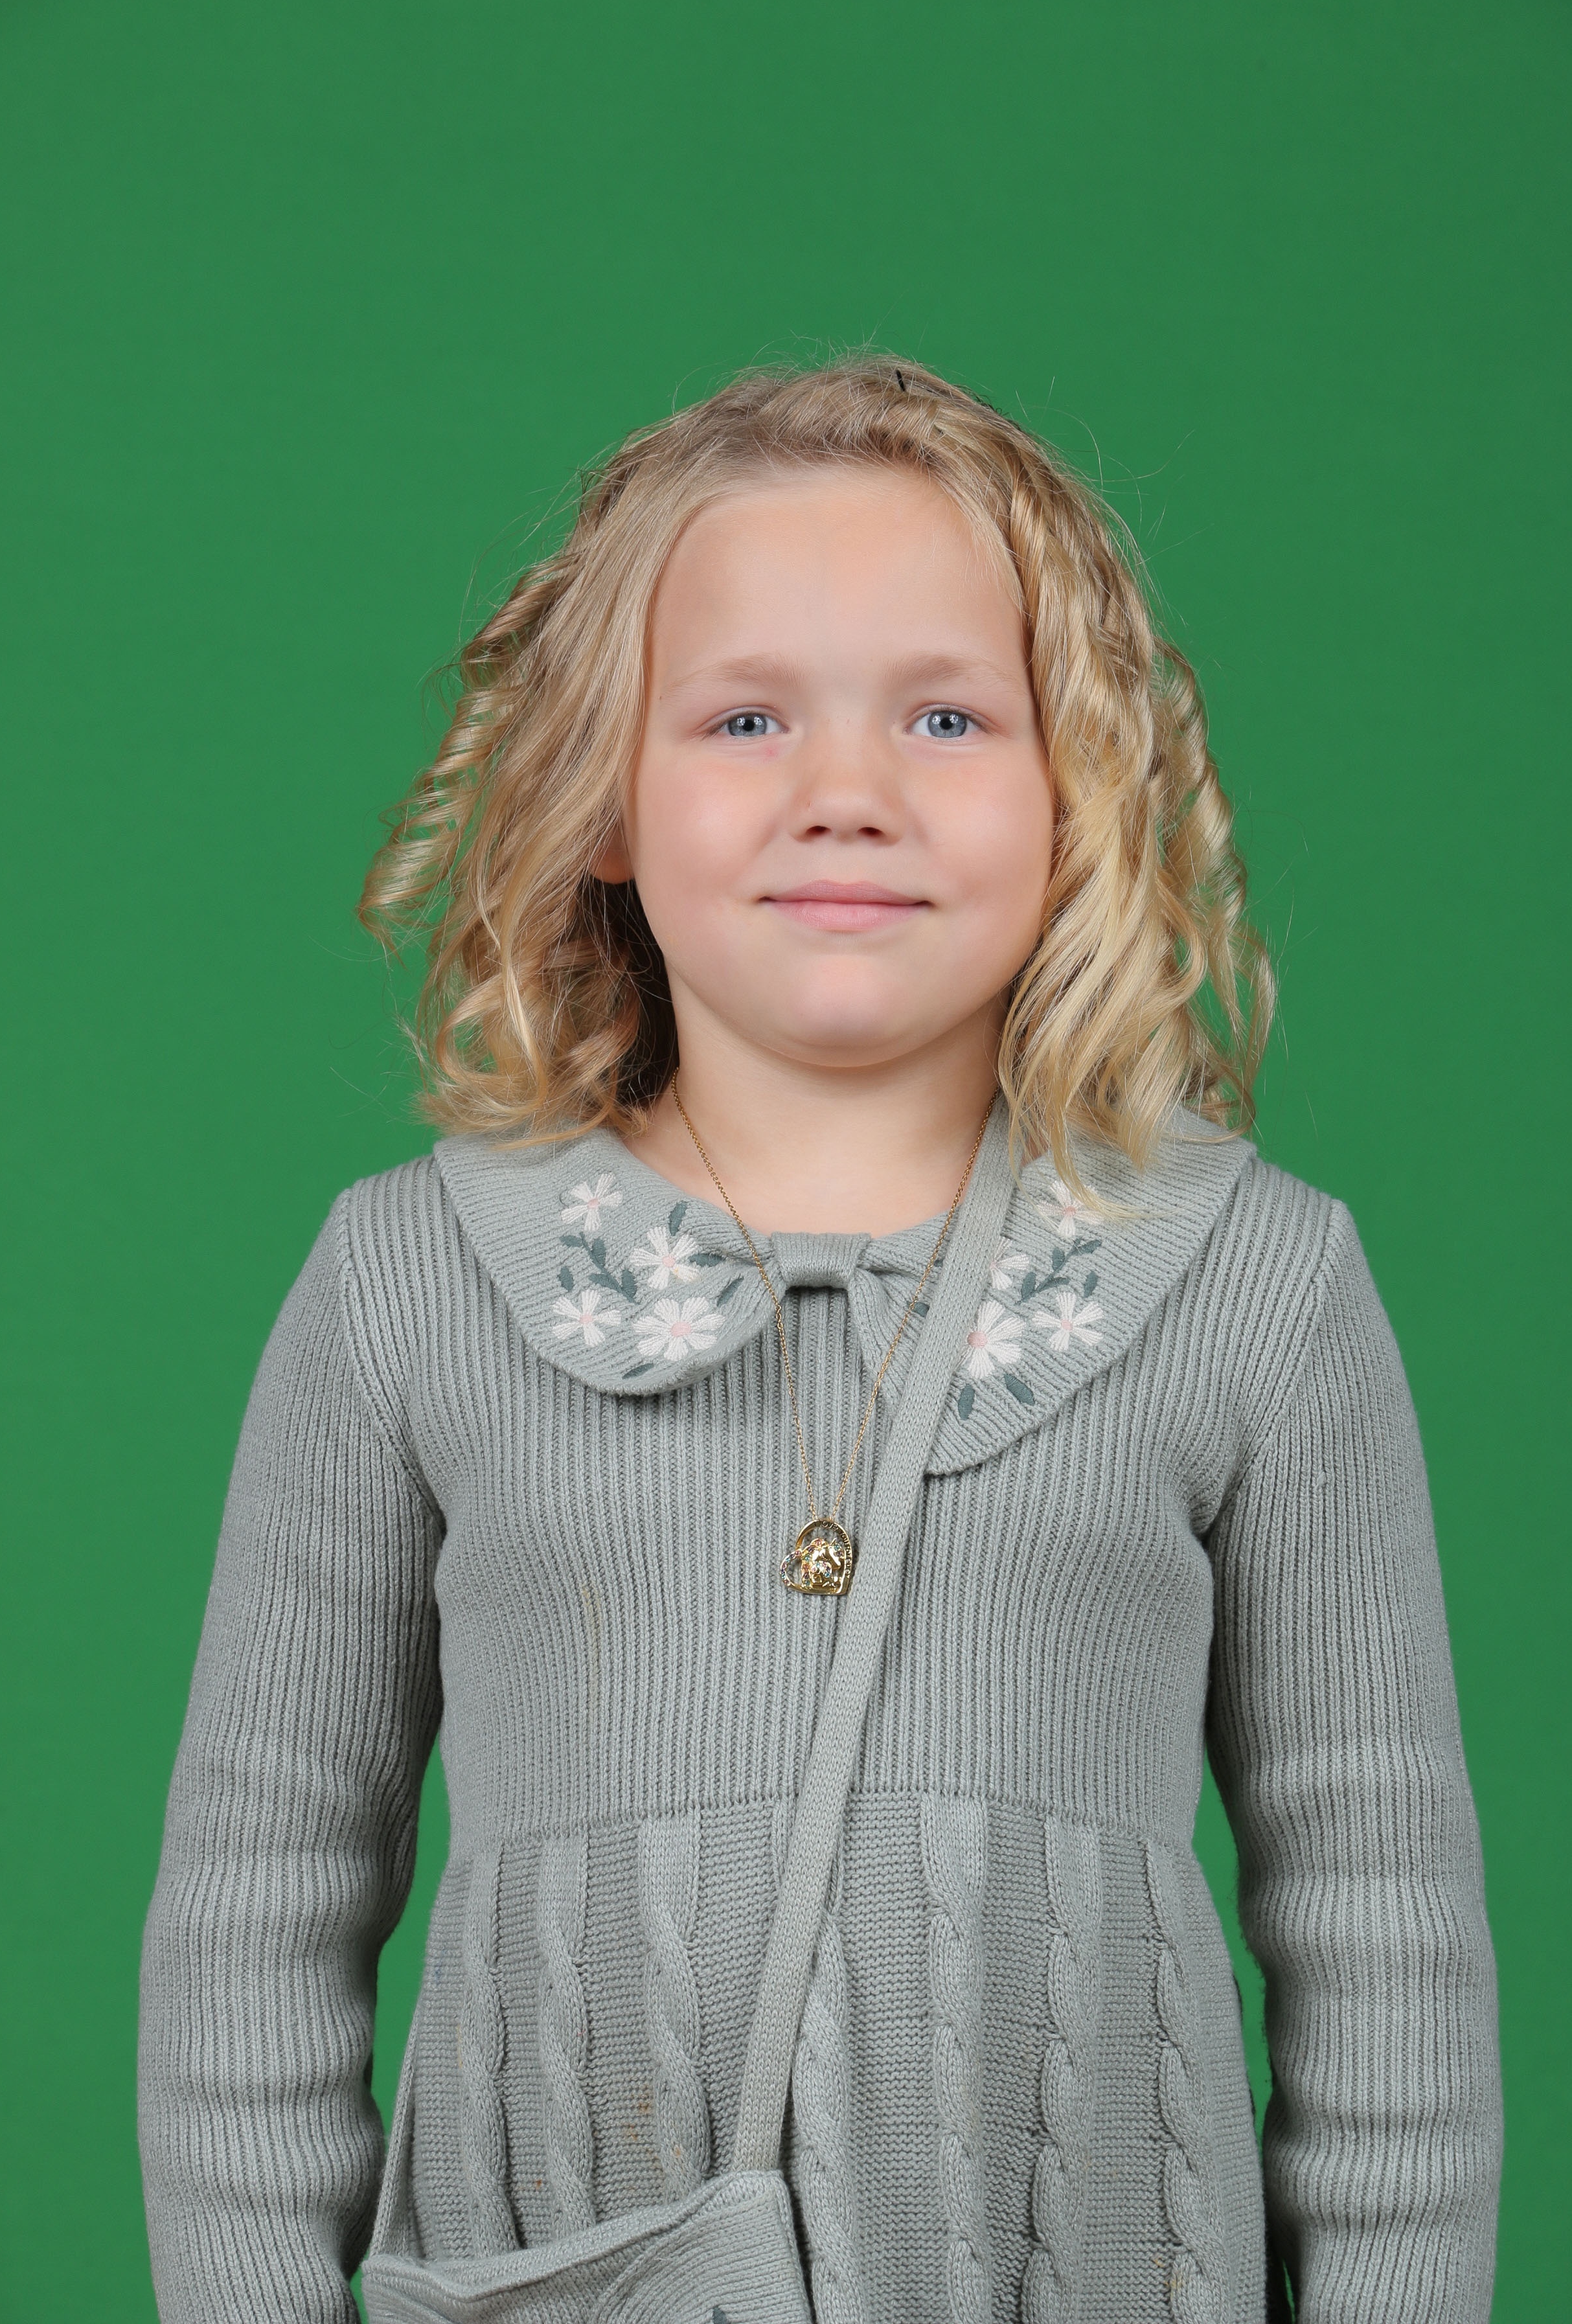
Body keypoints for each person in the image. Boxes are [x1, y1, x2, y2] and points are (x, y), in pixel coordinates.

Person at [138, 358, 1501, 2324]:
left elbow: (1382, 1936)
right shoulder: (407, 1283)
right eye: (745, 716)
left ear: (1073, 794)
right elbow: (255, 1913)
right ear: (606, 797)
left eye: (947, 716)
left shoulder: (1253, 1282)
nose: (846, 789)